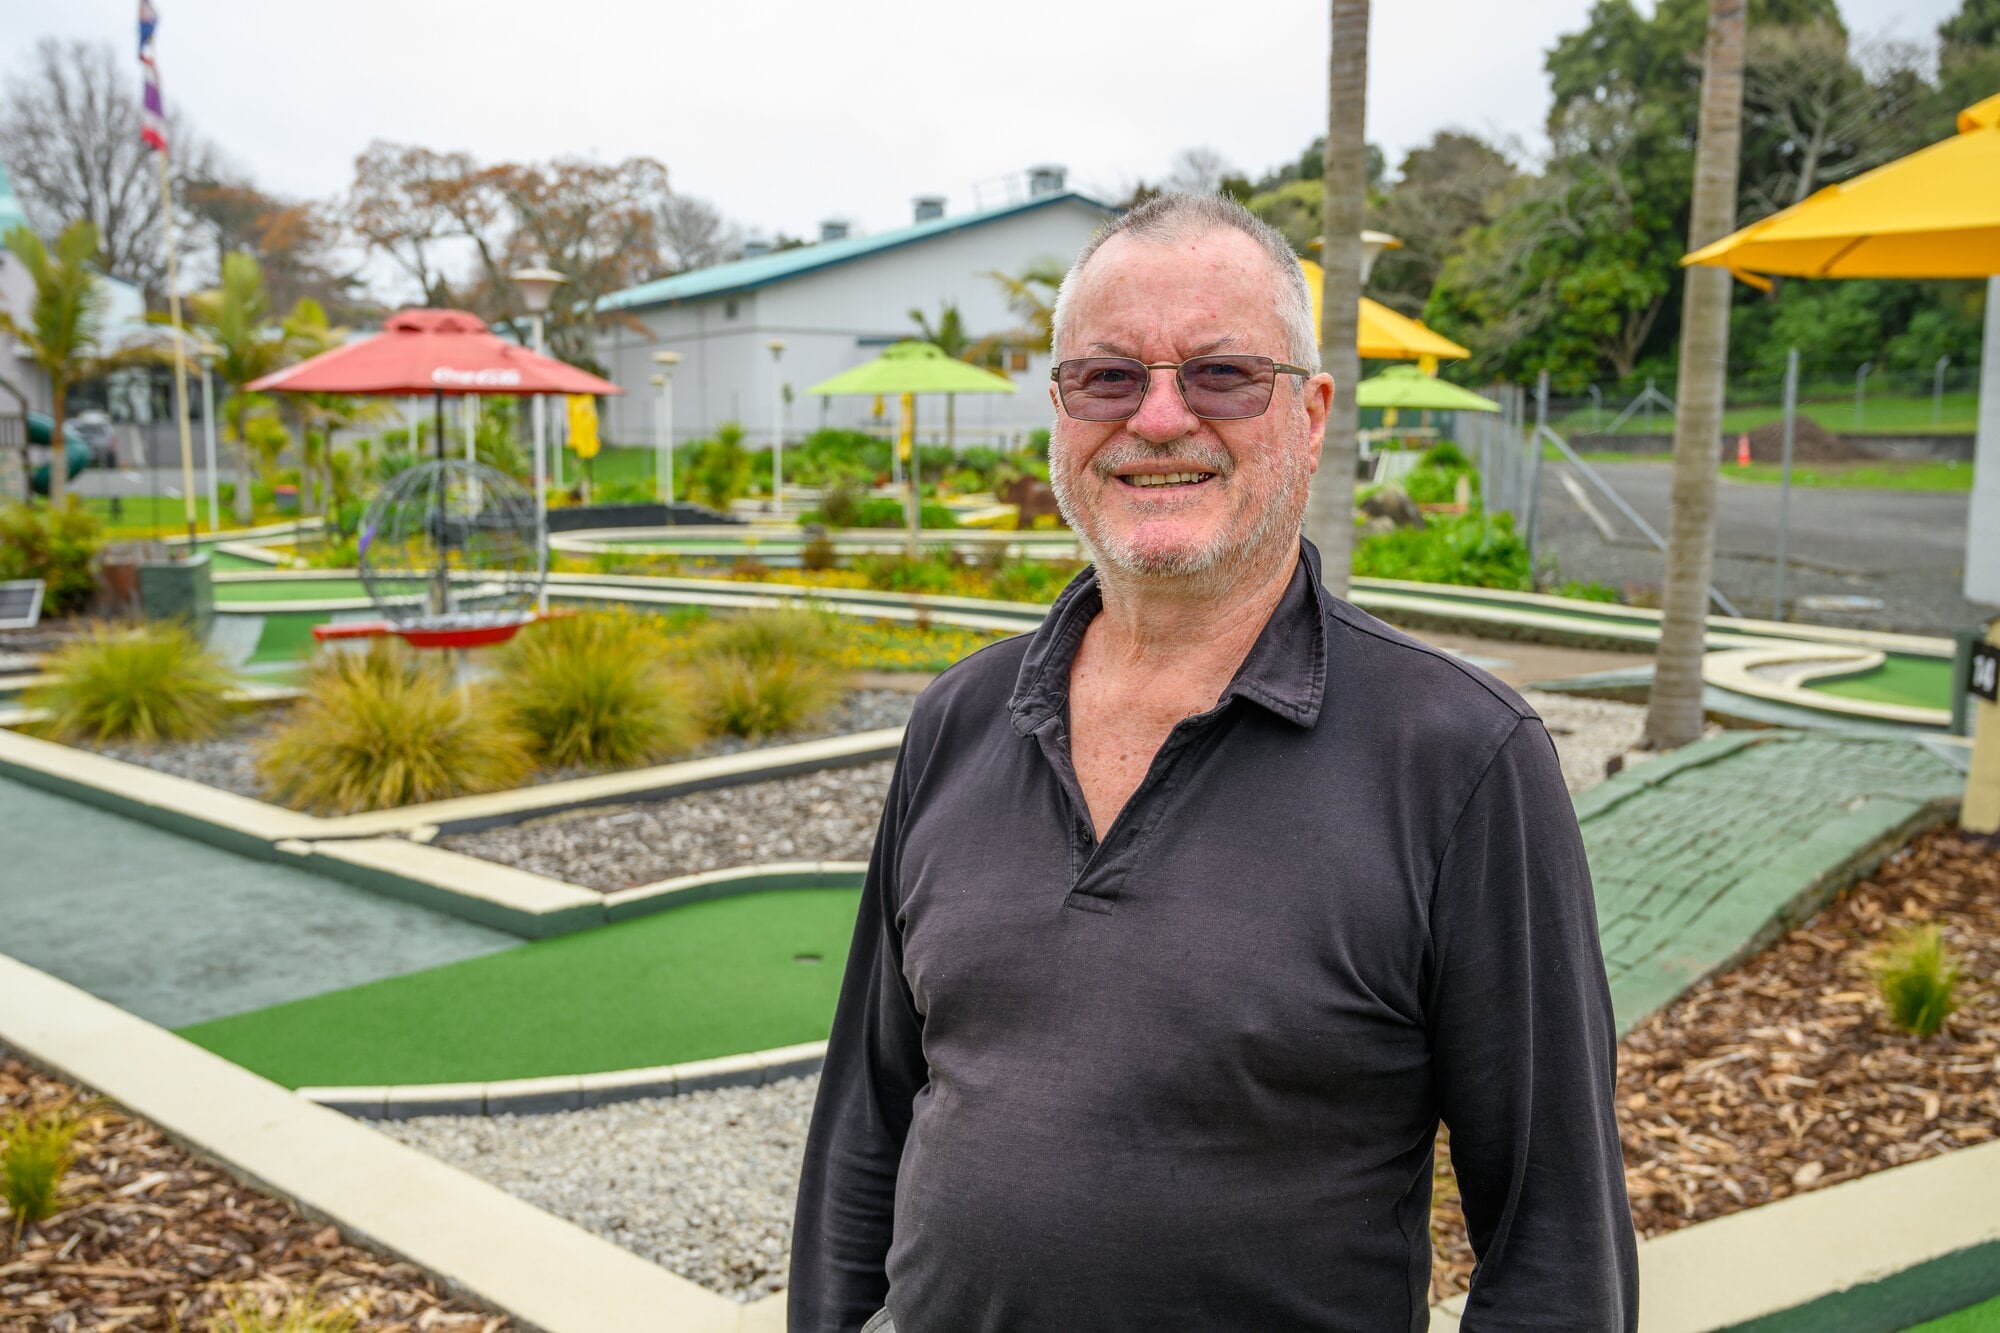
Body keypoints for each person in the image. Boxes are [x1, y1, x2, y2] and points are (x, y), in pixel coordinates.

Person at [789, 193, 1638, 1332]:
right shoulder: (959, 717)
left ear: (1311, 413)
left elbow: (1555, 1249)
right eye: (1105, 377)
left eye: (1220, 375)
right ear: (1056, 411)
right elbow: (863, 1134)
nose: (1155, 419)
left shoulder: (1460, 758)